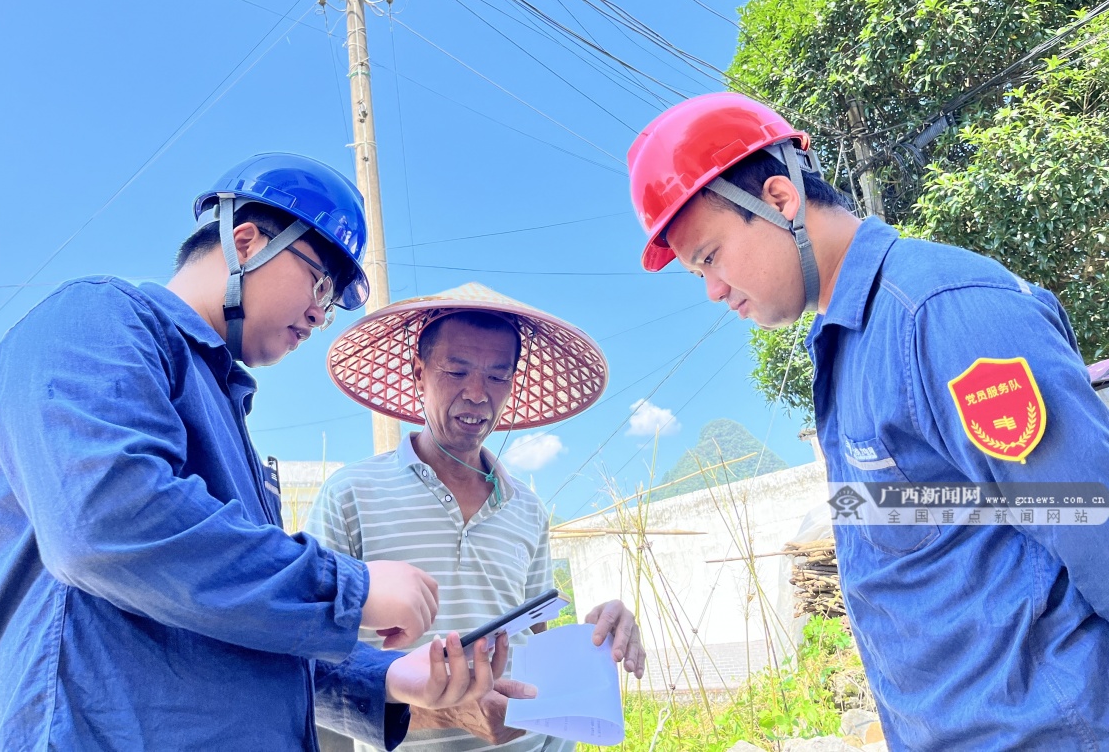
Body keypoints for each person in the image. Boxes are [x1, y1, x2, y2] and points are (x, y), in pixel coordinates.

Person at [0, 154, 504, 752]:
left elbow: (242, 622)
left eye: (332, 302)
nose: (320, 314)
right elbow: (105, 520)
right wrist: (350, 589)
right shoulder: (96, 317)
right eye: (320, 283)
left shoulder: (225, 409)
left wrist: (390, 676)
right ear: (246, 242)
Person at [627, 92, 1109, 750]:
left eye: (709, 257)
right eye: (696, 273)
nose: (712, 290)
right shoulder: (844, 347)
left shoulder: (940, 313)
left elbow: (1092, 517)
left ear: (780, 199)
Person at [308, 283, 647, 752]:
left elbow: (536, 639)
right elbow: (308, 658)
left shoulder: (526, 508)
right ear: (419, 373)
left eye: (497, 376)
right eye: (456, 371)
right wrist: (445, 710)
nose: (477, 394)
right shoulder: (350, 494)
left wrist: (596, 635)